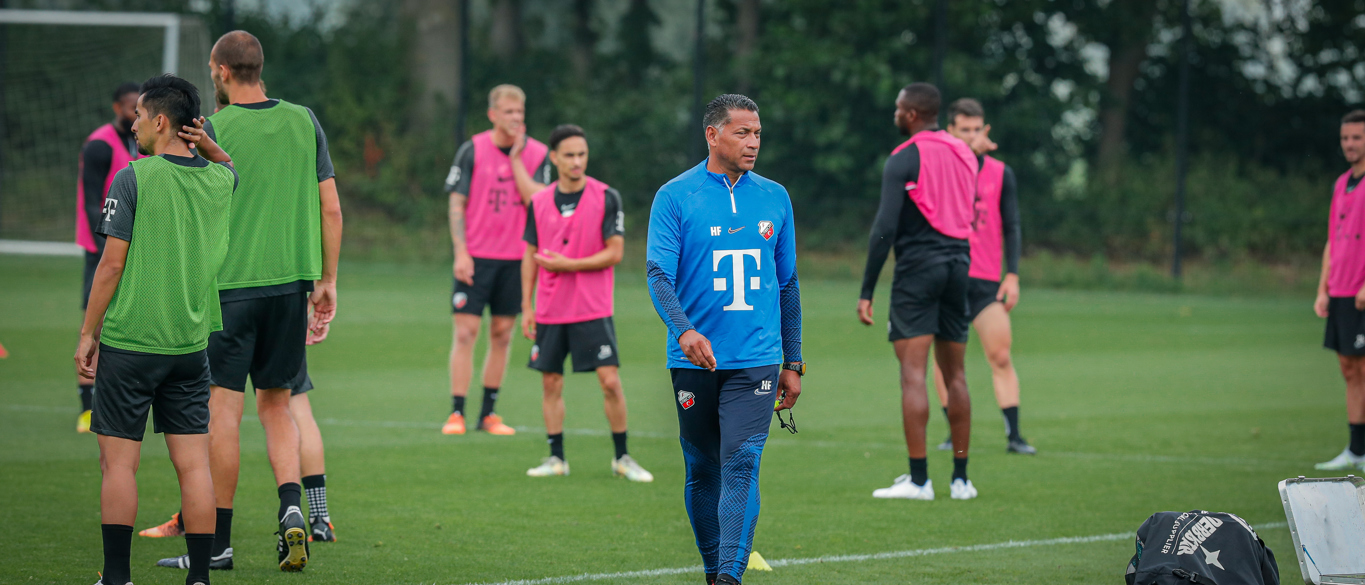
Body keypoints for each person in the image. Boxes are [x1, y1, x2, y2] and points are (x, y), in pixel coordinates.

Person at [146, 31, 342, 573]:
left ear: (221, 70)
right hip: (291, 286)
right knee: (277, 407)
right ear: (260, 66)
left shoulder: (209, 129)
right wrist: (327, 279)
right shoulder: (305, 120)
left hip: (230, 290)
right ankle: (291, 507)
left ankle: (218, 545)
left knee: (223, 413)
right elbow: (330, 208)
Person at [75, 73, 237, 585]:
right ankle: (200, 578)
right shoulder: (219, 181)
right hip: (190, 348)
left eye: (141, 116)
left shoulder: (134, 177)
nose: (134, 125)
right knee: (194, 467)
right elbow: (229, 167)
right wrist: (208, 145)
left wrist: (88, 333)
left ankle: (117, 578)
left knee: (119, 466)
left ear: (161, 121)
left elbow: (110, 265)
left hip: (131, 343)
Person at [647, 94, 804, 585]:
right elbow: (658, 275)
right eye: (742, 133)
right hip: (694, 361)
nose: (753, 142)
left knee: (742, 462)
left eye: (757, 133)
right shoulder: (675, 196)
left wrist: (794, 360)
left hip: (756, 359)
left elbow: (787, 285)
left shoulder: (775, 197)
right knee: (702, 470)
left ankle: (729, 579)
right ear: (712, 135)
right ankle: (714, 571)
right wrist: (684, 330)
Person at [858, 83, 979, 501]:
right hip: (959, 267)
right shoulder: (965, 153)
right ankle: (961, 479)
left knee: (913, 374)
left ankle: (919, 480)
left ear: (911, 114)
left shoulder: (904, 157)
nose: (895, 114)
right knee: (956, 374)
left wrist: (867, 288)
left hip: (918, 272)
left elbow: (884, 228)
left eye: (898, 108)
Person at [519, 124, 652, 482]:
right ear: (554, 158)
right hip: (550, 308)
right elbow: (530, 255)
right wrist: (527, 306)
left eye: (582, 154)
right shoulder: (539, 202)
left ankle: (622, 457)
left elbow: (615, 252)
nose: (577, 161)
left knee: (610, 381)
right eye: (569, 155)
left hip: (592, 308)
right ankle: (556, 458)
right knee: (551, 383)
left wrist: (569, 265)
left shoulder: (607, 196)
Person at [441, 84, 553, 436]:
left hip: (516, 259)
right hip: (476, 257)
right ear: (492, 115)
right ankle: (457, 412)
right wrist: (461, 251)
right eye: (508, 112)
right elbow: (456, 202)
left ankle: (488, 414)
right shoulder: (472, 150)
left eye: (519, 112)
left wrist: (516, 159)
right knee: (465, 332)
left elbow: (538, 200)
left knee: (502, 334)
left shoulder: (538, 153)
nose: (515, 118)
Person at [931, 98, 1036, 455]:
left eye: (977, 129)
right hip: (949, 278)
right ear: (950, 131)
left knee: (1001, 356)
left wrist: (1013, 275)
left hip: (986, 282)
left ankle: (1015, 436)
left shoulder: (1001, 172)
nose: (972, 135)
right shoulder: (941, 169)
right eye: (965, 130)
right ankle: (953, 432)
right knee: (945, 360)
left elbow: (1012, 225)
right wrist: (966, 156)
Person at [75, 82, 142, 434]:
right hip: (103, 250)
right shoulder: (100, 144)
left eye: (140, 109)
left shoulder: (143, 141)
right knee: (95, 324)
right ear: (117, 107)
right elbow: (91, 203)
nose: (135, 114)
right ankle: (87, 408)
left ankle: (120, 399)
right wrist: (106, 249)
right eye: (131, 108)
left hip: (132, 248)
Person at [1314, 109, 1365, 471]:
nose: (1350, 144)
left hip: (1362, 291)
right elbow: (1332, 239)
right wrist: (1323, 289)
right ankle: (1356, 450)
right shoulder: (1341, 184)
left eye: (1357, 138)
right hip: (1341, 289)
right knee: (1349, 368)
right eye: (1345, 138)